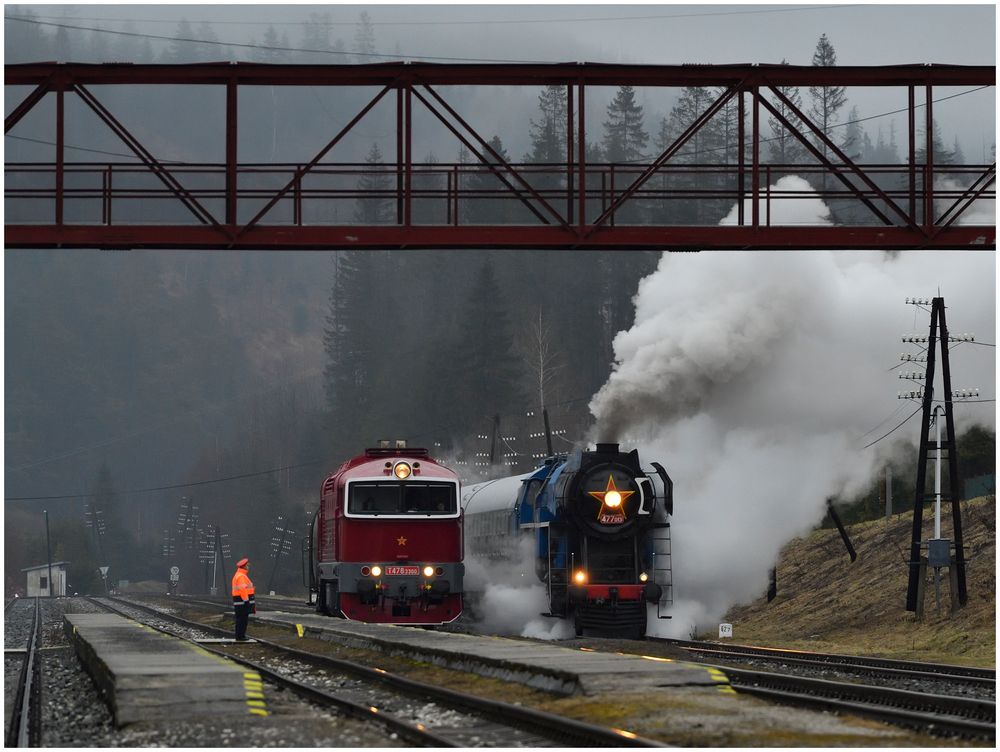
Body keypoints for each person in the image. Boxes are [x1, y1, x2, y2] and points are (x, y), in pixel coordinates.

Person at [231, 557, 256, 641]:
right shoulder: (241, 576)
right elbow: (243, 590)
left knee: (240, 619)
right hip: (242, 602)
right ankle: (241, 636)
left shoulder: (239, 575)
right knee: (242, 620)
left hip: (239, 602)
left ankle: (239, 636)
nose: (248, 567)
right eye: (247, 566)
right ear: (244, 567)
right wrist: (246, 601)